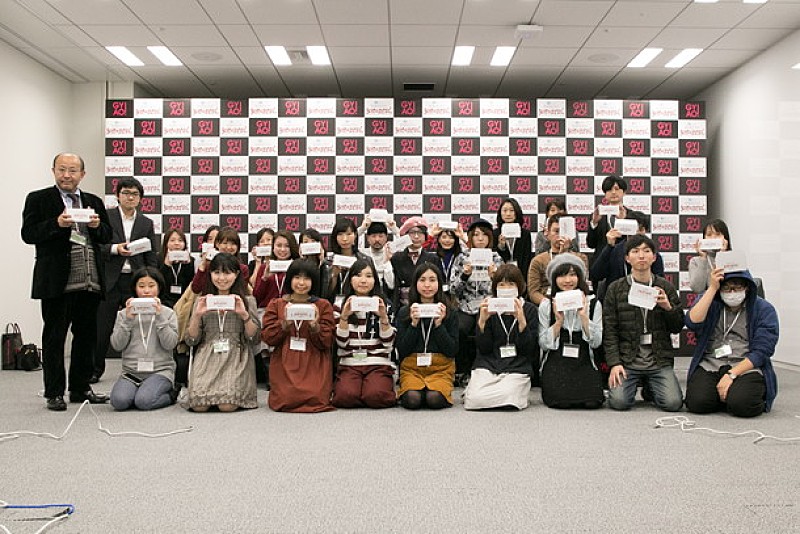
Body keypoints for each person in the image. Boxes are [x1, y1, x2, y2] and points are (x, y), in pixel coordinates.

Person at [21, 153, 112, 410]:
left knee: (86, 337)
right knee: (54, 338)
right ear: (53, 171)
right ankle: (54, 392)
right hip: (56, 281)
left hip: (90, 280)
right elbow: (28, 234)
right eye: (62, 169)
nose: (67, 175)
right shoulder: (38, 199)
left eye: (73, 170)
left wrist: (96, 226)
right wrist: (56, 223)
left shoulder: (93, 201)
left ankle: (80, 388)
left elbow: (107, 235)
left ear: (82, 174)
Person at [603, 235, 684, 412]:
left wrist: (668, 307)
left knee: (673, 404)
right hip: (628, 360)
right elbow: (610, 330)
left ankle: (650, 386)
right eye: (635, 251)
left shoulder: (665, 287)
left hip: (658, 360)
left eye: (646, 251)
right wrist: (615, 363)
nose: (641, 256)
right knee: (619, 403)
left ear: (654, 257)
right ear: (627, 258)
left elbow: (677, 327)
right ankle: (640, 384)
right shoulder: (615, 289)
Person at [684, 268, 778, 417]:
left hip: (745, 365)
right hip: (711, 363)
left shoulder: (764, 309)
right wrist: (712, 288)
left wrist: (731, 375)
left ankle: (731, 394)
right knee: (698, 403)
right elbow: (692, 323)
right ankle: (725, 395)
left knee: (742, 404)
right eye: (726, 288)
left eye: (737, 287)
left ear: (747, 287)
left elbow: (762, 352)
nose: (732, 292)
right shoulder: (710, 301)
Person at [94, 177, 158, 383]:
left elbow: (151, 255)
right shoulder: (106, 217)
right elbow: (95, 246)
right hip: (110, 280)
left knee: (140, 327)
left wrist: (151, 281)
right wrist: (115, 249)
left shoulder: (146, 223)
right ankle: (94, 370)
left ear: (140, 198)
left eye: (135, 194)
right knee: (102, 328)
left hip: (135, 281)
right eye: (126, 193)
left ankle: (142, 369)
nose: (130, 197)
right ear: (117, 196)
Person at [182, 253, 259, 412]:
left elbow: (254, 338)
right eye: (216, 272)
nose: (221, 278)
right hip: (207, 355)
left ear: (236, 274)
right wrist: (197, 316)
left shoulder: (247, 300)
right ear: (210, 274)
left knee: (227, 405)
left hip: (236, 356)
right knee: (199, 406)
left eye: (227, 273)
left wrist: (244, 315)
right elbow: (191, 340)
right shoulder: (202, 300)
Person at [262, 259, 336, 413]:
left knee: (315, 397)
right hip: (285, 360)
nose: (301, 283)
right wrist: (284, 324)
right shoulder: (276, 304)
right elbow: (268, 338)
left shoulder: (323, 305)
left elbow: (328, 342)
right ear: (290, 279)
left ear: (313, 281)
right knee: (285, 398)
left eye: (307, 278)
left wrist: (315, 327)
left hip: (313, 361)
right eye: (297, 277)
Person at [463, 264, 537, 410]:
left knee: (509, 395)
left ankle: (494, 394)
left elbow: (529, 350)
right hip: (489, 364)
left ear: (520, 286)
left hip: (517, 366)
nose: (506, 288)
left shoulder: (530, 310)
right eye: (502, 285)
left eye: (511, 284)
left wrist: (522, 322)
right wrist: (482, 322)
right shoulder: (487, 307)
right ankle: (483, 393)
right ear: (495, 287)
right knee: (473, 401)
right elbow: (483, 348)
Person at [538, 255, 604, 409]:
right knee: (561, 402)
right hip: (557, 361)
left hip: (584, 360)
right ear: (554, 279)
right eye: (562, 275)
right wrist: (558, 322)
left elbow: (596, 342)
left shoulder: (593, 303)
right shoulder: (546, 305)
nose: (567, 280)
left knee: (592, 401)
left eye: (573, 275)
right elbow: (543, 344)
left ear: (580, 277)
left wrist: (584, 317)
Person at [109, 268, 178, 411]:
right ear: (134, 288)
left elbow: (170, 344)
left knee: (144, 401)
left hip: (160, 371)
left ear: (159, 288)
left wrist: (159, 317)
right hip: (131, 372)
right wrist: (128, 321)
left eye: (151, 286)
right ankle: (140, 392)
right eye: (141, 286)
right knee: (119, 402)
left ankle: (171, 395)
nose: (146, 291)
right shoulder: (124, 314)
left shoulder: (168, 313)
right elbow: (117, 345)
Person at [332, 259, 396, 409]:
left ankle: (371, 387)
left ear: (375, 280)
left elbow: (388, 343)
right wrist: (344, 317)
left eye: (368, 276)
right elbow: (341, 343)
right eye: (358, 275)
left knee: (376, 396)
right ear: (350, 279)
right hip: (350, 363)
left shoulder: (384, 304)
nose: (363, 280)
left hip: (377, 362)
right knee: (345, 397)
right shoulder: (340, 305)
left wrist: (383, 318)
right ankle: (359, 388)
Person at [395, 262, 458, 410]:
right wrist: (414, 324)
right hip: (412, 367)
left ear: (439, 283)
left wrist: (439, 325)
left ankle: (431, 390)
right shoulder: (405, 312)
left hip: (440, 367)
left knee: (434, 399)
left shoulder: (449, 312)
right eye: (422, 280)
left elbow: (452, 350)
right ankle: (418, 389)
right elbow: (402, 350)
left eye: (432, 280)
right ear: (415, 283)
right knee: (412, 399)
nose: (427, 285)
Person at [450, 218, 503, 386]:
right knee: (460, 328)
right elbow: (453, 289)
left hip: (489, 305)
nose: (480, 238)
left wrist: (495, 277)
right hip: (466, 306)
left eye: (484, 235)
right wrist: (464, 275)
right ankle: (462, 370)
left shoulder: (496, 258)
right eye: (476, 235)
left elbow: (504, 290)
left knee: (487, 329)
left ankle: (487, 368)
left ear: (490, 238)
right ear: (471, 237)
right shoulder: (462, 258)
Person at [588, 212, 664, 302]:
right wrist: (609, 246)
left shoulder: (651, 254)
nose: (636, 232)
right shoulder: (614, 250)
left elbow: (659, 282)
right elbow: (595, 275)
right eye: (633, 228)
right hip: (616, 301)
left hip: (644, 301)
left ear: (645, 230)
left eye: (640, 229)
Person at [586, 175, 644, 286]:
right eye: (609, 190)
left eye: (617, 189)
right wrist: (594, 223)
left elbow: (635, 242)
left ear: (624, 192)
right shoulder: (597, 215)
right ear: (605, 194)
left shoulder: (633, 216)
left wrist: (624, 221)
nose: (613, 192)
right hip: (601, 268)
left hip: (624, 266)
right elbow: (591, 244)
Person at [527, 214, 589, 305]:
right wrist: (550, 305)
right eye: (556, 231)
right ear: (547, 233)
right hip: (548, 303)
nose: (561, 236)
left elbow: (583, 286)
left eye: (564, 232)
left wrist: (565, 253)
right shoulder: (538, 260)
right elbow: (533, 292)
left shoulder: (580, 259)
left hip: (575, 303)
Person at [385, 216, 437, 314]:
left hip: (427, 308)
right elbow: (391, 285)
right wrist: (387, 261)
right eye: (412, 233)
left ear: (425, 236)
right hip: (402, 309)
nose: (416, 237)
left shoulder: (433, 258)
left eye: (420, 233)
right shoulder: (396, 258)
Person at [327, 218, 372, 310]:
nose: (345, 239)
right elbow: (323, 292)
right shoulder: (328, 262)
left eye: (349, 234)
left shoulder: (365, 260)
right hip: (333, 307)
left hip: (359, 305)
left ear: (355, 235)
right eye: (340, 234)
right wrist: (334, 276)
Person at [190, 227, 250, 294]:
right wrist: (203, 265)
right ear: (217, 244)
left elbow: (242, 290)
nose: (229, 247)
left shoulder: (242, 269)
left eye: (233, 244)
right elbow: (196, 289)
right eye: (225, 243)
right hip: (209, 300)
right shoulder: (209, 266)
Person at [493, 197, 534, 279]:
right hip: (501, 275)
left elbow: (527, 258)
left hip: (521, 274)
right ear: (500, 213)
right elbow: (493, 258)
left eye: (512, 210)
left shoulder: (525, 234)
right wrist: (501, 246)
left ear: (517, 212)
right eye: (505, 210)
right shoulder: (495, 233)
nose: (508, 214)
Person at [688, 219, 732, 294]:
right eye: (709, 235)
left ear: (725, 237)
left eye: (718, 234)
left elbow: (731, 286)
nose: (713, 238)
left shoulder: (733, 258)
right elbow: (697, 288)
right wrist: (703, 258)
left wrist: (722, 255)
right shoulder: (695, 261)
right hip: (707, 299)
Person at [158, 228, 195, 309]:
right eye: (172, 240)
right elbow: (158, 283)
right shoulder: (158, 259)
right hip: (164, 300)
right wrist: (166, 266)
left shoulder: (190, 260)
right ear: (166, 243)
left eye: (180, 240)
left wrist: (187, 266)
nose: (176, 243)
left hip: (184, 300)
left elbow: (191, 284)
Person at [300, 228, 330, 300]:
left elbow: (326, 292)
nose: (310, 244)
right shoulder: (296, 264)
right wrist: (302, 261)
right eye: (305, 242)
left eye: (313, 241)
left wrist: (321, 263)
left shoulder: (327, 264)